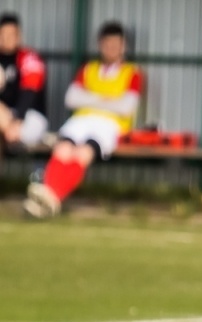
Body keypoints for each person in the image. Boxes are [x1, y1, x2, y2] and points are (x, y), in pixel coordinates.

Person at [24, 21, 139, 220]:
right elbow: (71, 98)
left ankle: (51, 196)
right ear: (100, 45)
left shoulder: (132, 73)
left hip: (110, 125)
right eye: (107, 43)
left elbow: (126, 106)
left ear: (123, 46)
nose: (111, 48)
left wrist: (91, 98)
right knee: (62, 149)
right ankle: (49, 198)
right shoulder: (88, 69)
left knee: (83, 154)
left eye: (116, 44)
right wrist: (108, 100)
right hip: (82, 120)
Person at [0, 13, 50, 154]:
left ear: (19, 35)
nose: (7, 38)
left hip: (30, 118)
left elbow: (29, 92)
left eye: (12, 34)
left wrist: (16, 122)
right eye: (3, 34)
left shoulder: (29, 57)